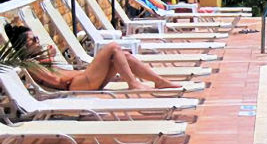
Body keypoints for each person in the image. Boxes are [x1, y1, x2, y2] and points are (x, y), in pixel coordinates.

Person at [4, 24, 180, 91]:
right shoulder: (30, 64)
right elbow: (55, 81)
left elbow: (51, 52)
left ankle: (158, 80)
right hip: (77, 84)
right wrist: (70, 77)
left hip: (82, 79)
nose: (37, 40)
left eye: (36, 37)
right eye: (32, 39)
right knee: (113, 47)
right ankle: (133, 83)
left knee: (124, 55)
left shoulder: (38, 57)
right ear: (22, 46)